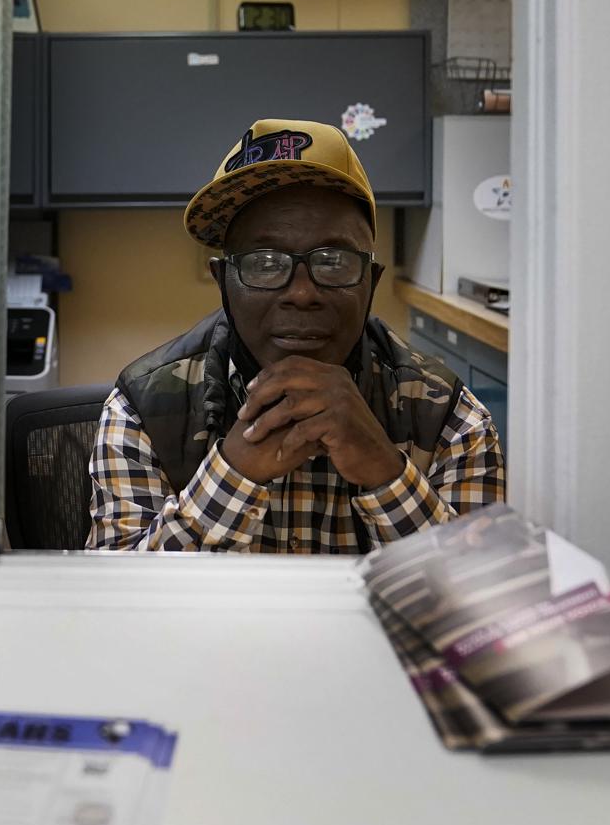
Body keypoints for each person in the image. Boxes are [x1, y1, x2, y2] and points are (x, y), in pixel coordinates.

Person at [88, 119, 505, 553]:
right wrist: (233, 475)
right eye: (265, 263)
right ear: (223, 281)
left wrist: (386, 475)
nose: (302, 293)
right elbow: (120, 604)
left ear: (372, 282)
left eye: (333, 260)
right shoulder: (143, 407)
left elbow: (485, 605)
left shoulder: (447, 416)